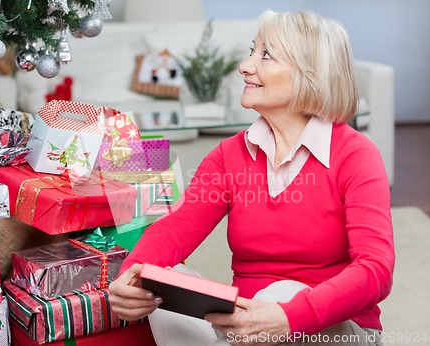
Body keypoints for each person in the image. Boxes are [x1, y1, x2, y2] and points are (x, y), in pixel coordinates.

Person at [108, 9, 394, 346]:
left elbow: (375, 270)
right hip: (242, 330)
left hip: (334, 328)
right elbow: (178, 226)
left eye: (266, 55)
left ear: (310, 74)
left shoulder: (355, 155)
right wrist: (133, 272)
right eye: (251, 51)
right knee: (160, 281)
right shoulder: (229, 155)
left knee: (283, 292)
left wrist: (290, 316)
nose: (245, 66)